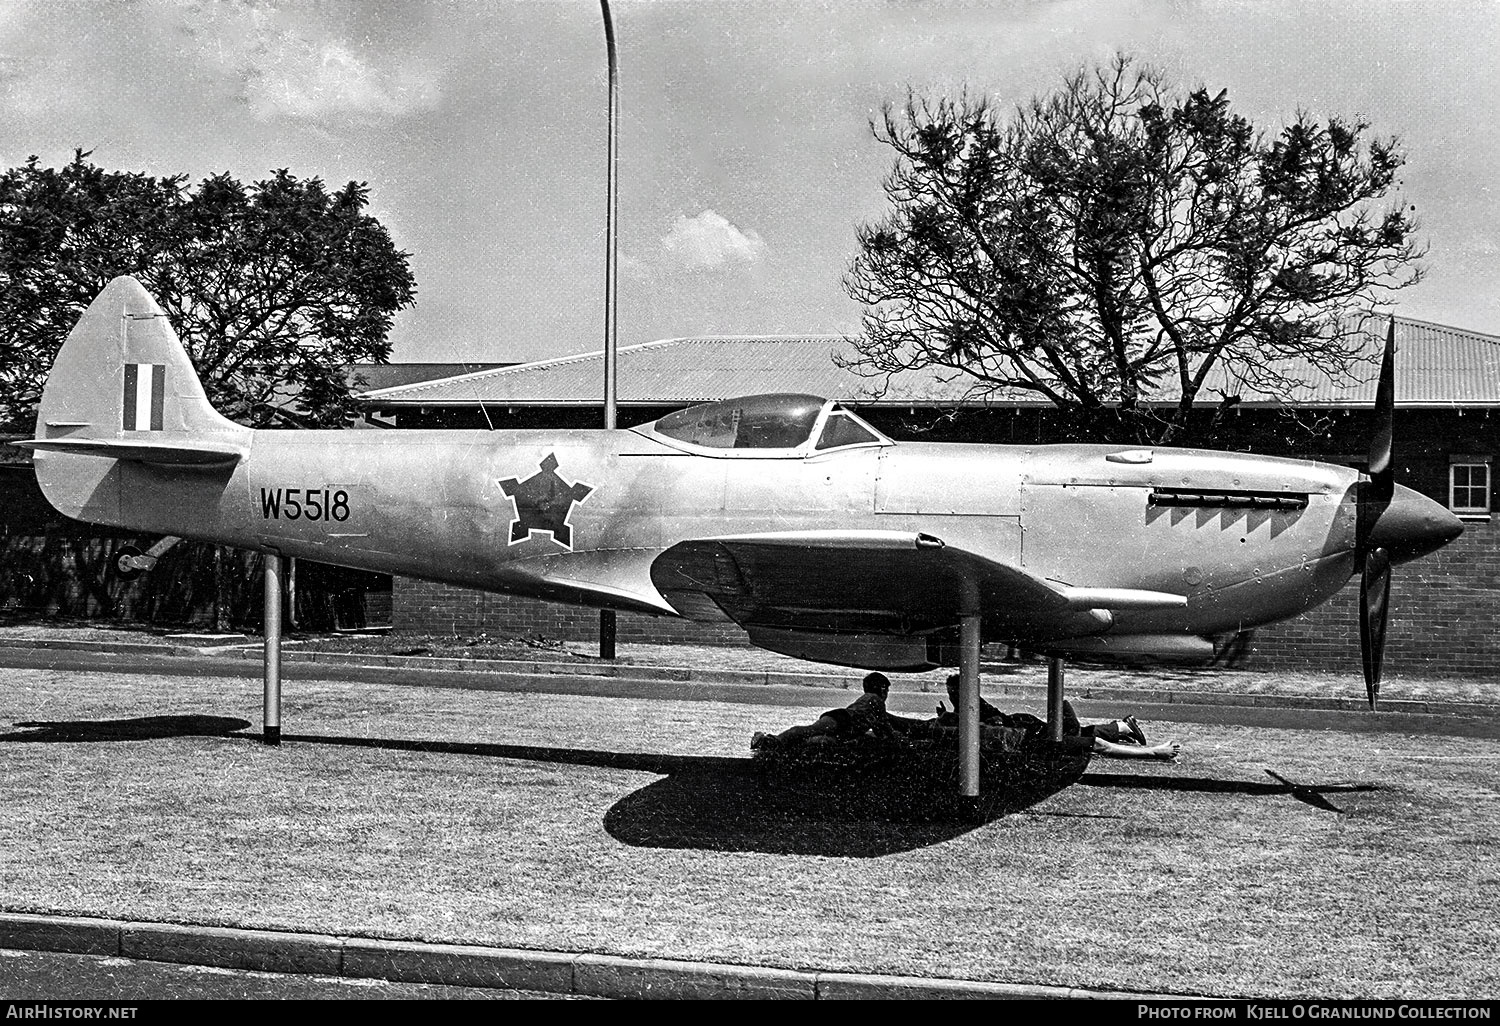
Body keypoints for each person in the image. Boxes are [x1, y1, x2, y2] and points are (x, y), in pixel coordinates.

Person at [752, 671, 902, 750]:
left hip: (843, 722)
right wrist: (901, 740)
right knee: (810, 730)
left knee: (816, 737)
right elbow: (883, 729)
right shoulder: (875, 700)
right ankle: (774, 740)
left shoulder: (870, 699)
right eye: (887, 689)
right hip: (843, 719)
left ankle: (777, 743)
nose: (887, 694)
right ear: (882, 689)